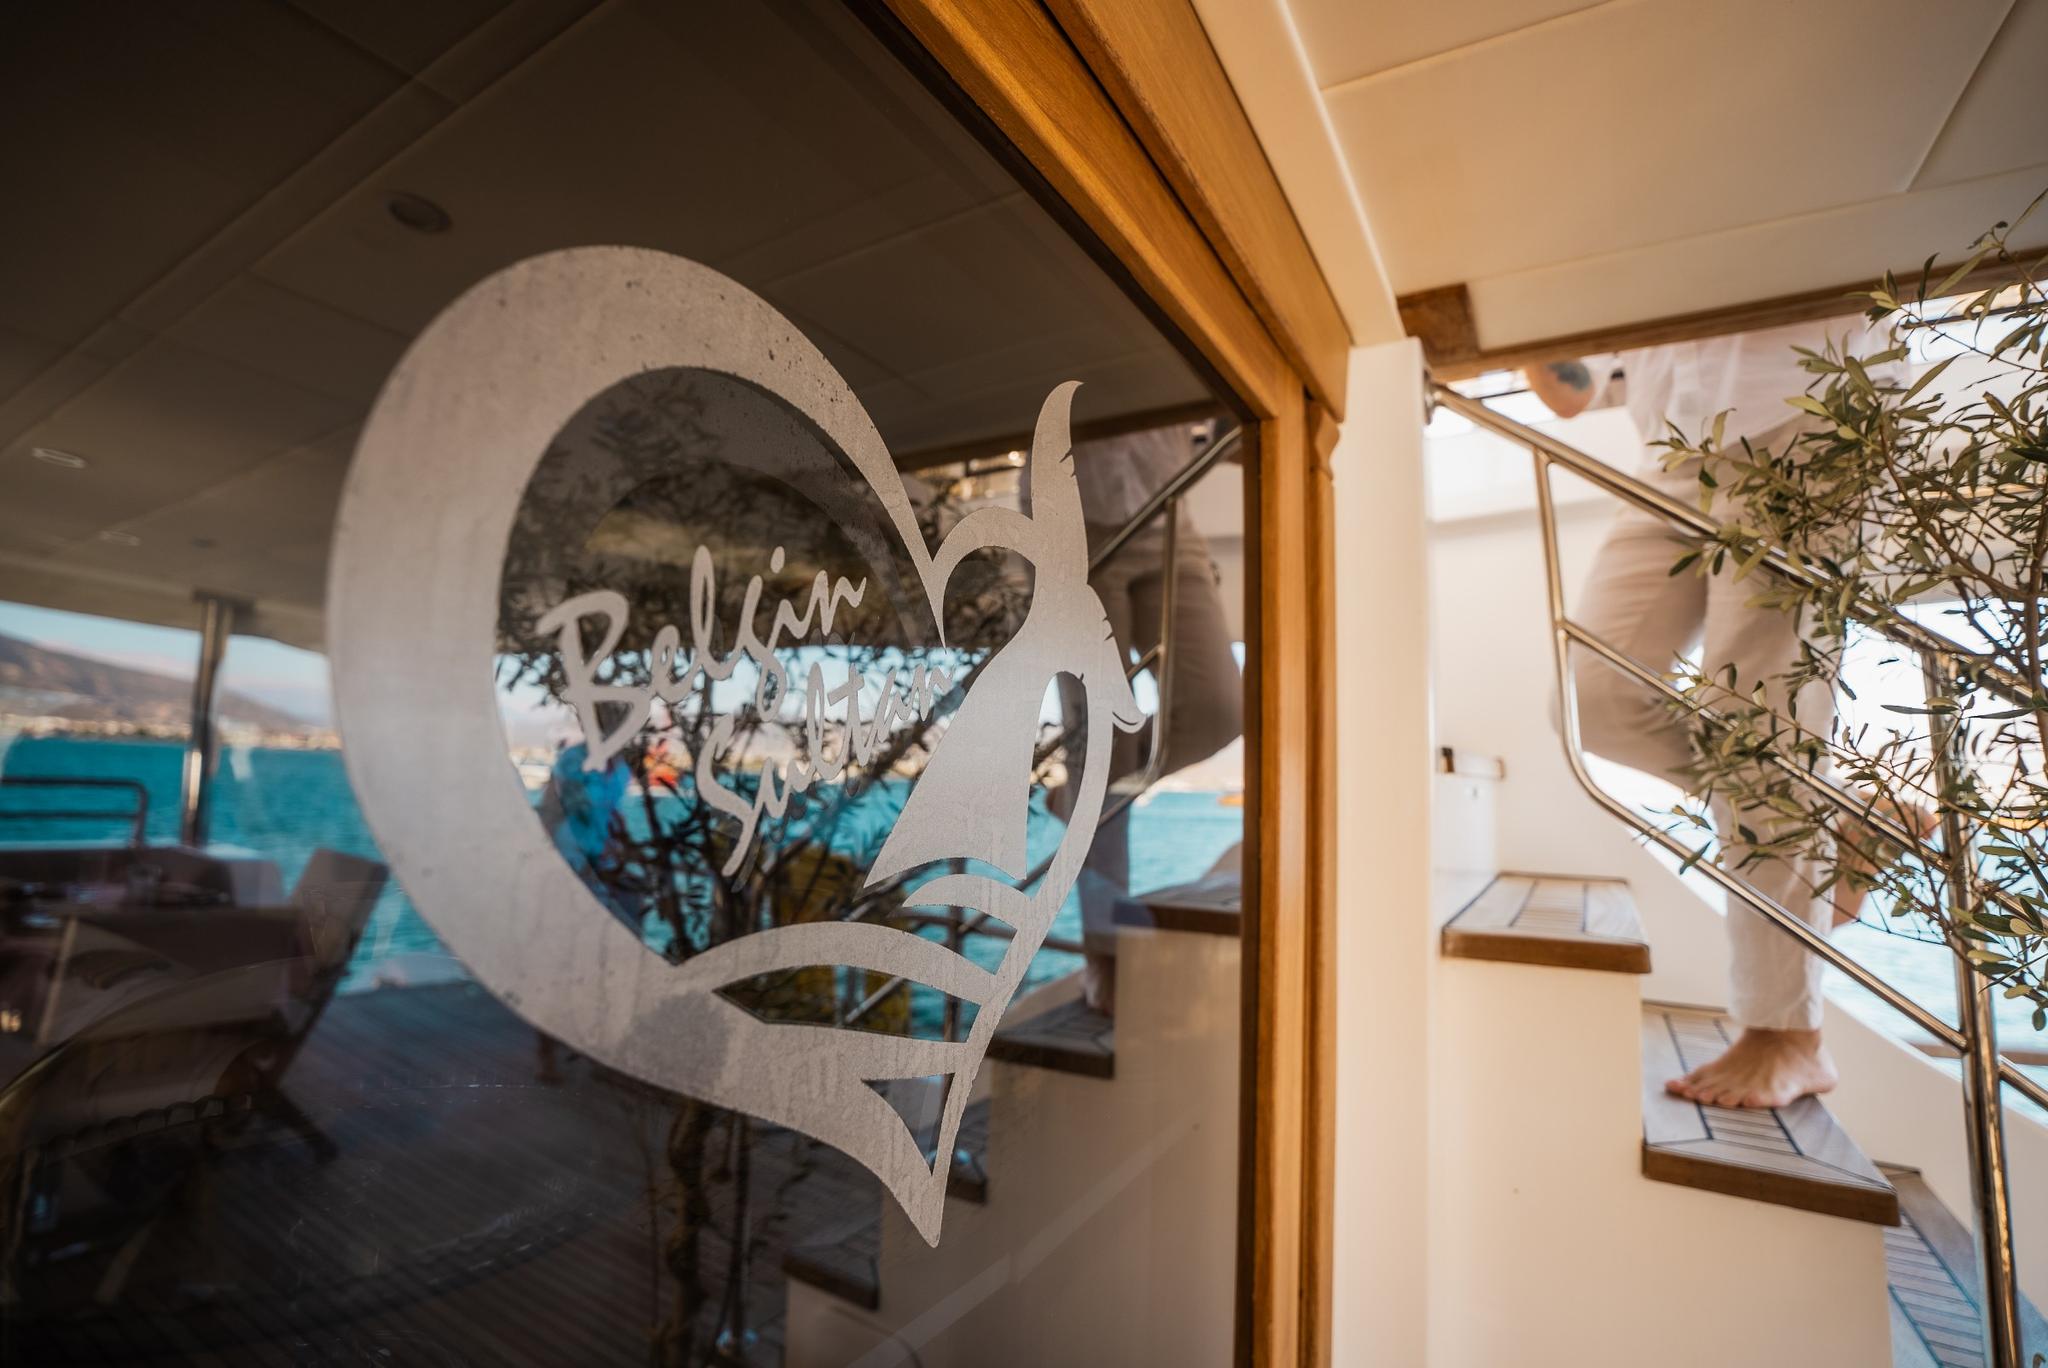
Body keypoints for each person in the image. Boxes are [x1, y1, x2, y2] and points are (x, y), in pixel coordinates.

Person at [1525, 321, 1898, 1109]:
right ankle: (1836, 821)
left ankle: (1790, 1036)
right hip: (1673, 444)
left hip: (1803, 408)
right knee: (1590, 693)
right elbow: (1573, 391)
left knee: (1764, 729)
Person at [1045, 423, 1243, 1015]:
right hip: (1068, 520)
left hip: (1169, 510)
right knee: (1102, 749)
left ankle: (1079, 796)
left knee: (1220, 709)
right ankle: (1103, 951)